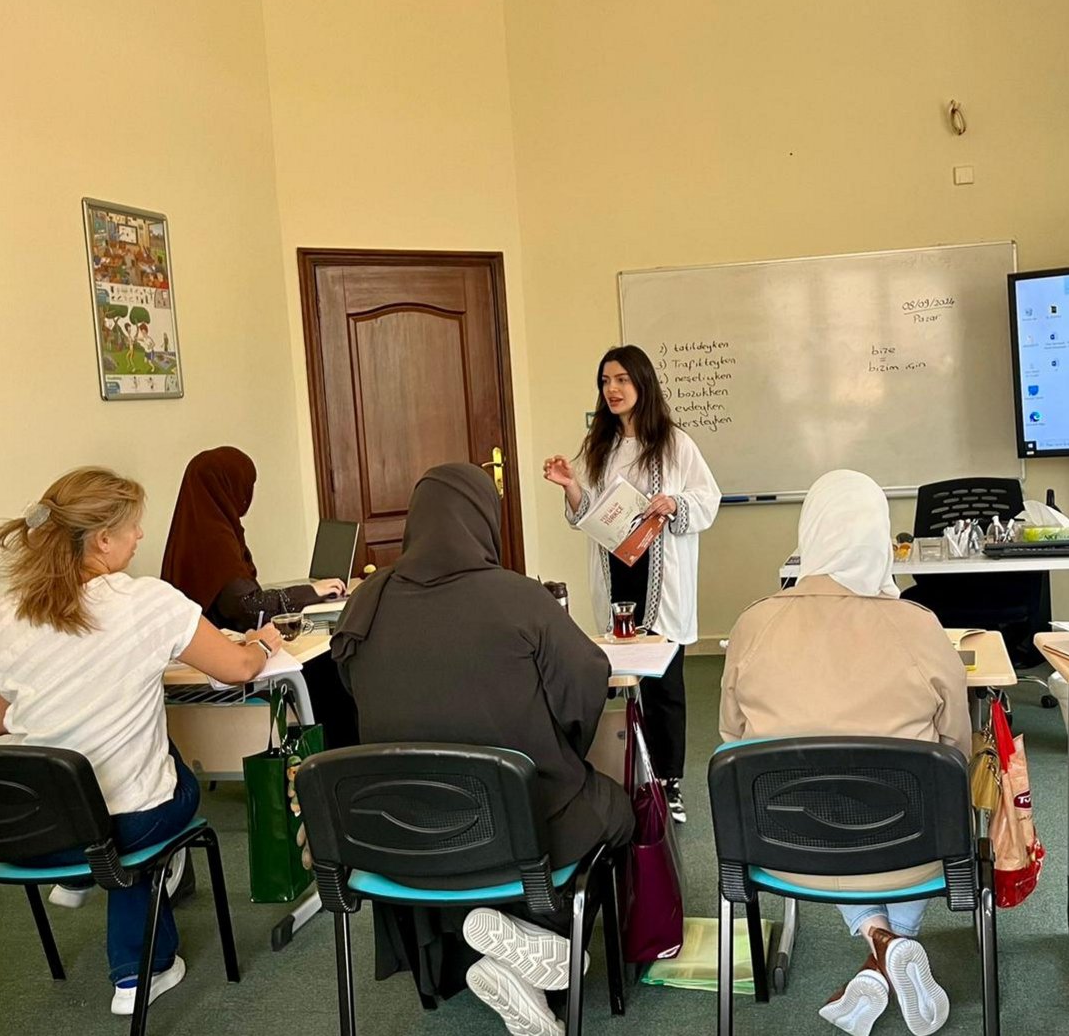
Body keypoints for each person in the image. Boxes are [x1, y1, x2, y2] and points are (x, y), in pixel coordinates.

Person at [331, 463, 634, 1036]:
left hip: (399, 833)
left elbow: (353, 698)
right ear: (482, 521)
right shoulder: (519, 598)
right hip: (520, 830)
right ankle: (551, 947)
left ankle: (497, 960)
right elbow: (583, 690)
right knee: (616, 810)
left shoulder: (365, 604)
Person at [0, 466, 285, 1017]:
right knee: (163, 782)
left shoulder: (8, 611)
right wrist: (262, 644)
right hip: (124, 824)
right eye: (134, 527)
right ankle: (141, 972)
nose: (140, 537)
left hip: (34, 828)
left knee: (116, 784)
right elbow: (237, 669)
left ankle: (79, 880)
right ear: (102, 539)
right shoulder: (147, 602)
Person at [720, 470, 968, 1036]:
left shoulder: (754, 623)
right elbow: (956, 743)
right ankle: (894, 940)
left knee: (821, 798)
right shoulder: (918, 625)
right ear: (880, 536)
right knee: (921, 791)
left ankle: (876, 944)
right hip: (912, 848)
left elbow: (732, 742)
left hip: (784, 850)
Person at [543, 344, 720, 822]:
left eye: (621, 379)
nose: (613, 389)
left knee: (666, 685)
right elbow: (589, 515)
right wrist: (571, 485)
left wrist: (674, 503)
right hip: (616, 572)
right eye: (605, 381)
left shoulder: (676, 443)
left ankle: (670, 782)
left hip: (662, 577)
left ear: (642, 383)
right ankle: (620, 774)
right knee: (618, 677)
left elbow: (708, 499)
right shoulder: (599, 446)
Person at [159, 446, 357, 746]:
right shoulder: (213, 539)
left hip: (209, 656)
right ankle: (334, 759)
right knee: (326, 667)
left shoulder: (196, 527)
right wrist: (311, 591)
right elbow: (247, 607)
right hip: (223, 668)